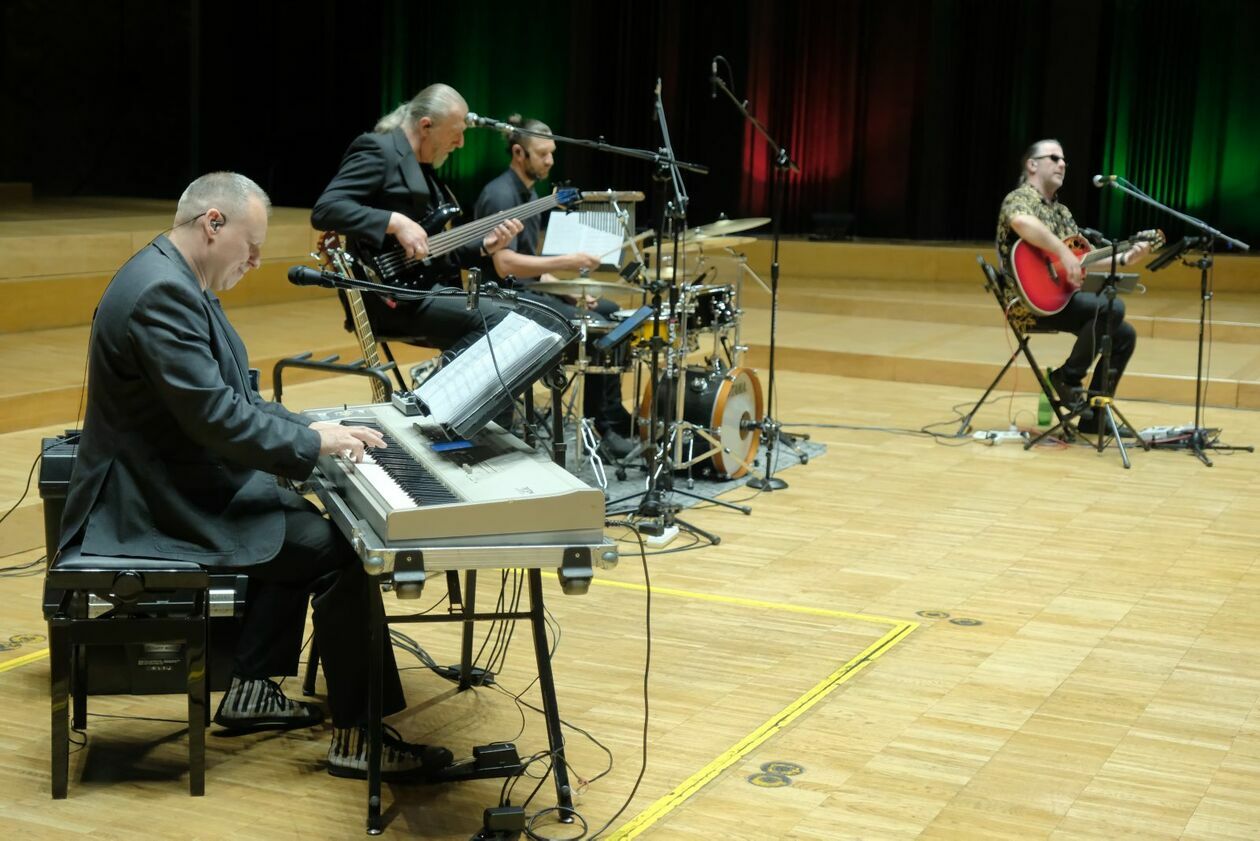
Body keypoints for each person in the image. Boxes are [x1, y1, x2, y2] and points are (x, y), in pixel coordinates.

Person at [58, 172, 451, 781]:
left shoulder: (178, 278)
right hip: (149, 504)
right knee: (341, 553)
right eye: (253, 245)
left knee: (286, 511)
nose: (257, 260)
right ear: (213, 224)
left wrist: (308, 429)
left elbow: (232, 397)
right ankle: (360, 738)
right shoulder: (162, 292)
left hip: (173, 479)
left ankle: (251, 688)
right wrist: (309, 443)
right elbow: (214, 417)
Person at [311, 83, 524, 359]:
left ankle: (460, 396)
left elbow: (429, 251)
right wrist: (395, 221)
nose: (461, 144)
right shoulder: (378, 150)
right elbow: (326, 209)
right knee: (498, 322)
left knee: (515, 313)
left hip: (421, 290)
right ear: (426, 126)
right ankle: (443, 399)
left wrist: (485, 245)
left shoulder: (424, 168)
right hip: (388, 298)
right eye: (456, 134)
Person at [473, 115, 635, 456]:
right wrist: (567, 262)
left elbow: (531, 268)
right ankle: (602, 426)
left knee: (609, 310)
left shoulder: (528, 193)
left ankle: (609, 416)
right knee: (596, 325)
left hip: (524, 290)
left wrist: (570, 289)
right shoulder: (501, 195)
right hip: (504, 300)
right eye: (542, 154)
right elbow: (505, 265)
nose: (550, 161)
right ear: (519, 153)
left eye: (552, 153)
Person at [996, 138, 1151, 435]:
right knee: (1111, 307)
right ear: (1032, 165)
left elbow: (1087, 259)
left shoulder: (1062, 213)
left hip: (1060, 298)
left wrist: (1127, 257)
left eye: (1064, 159)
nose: (1062, 164)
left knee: (1124, 335)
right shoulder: (1019, 198)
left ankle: (1094, 416)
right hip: (1027, 304)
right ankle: (1067, 377)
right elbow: (1021, 223)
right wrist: (1063, 251)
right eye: (1054, 158)